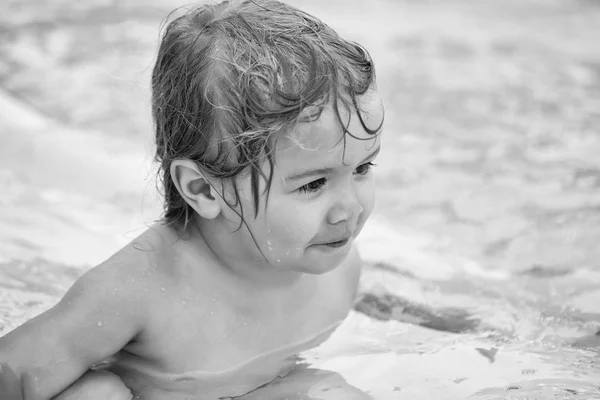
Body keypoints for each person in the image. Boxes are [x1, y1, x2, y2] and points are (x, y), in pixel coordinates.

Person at [0, 0, 384, 398]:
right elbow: (16, 372)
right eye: (313, 185)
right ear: (203, 190)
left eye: (362, 169)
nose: (350, 210)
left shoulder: (336, 265)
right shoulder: (139, 291)